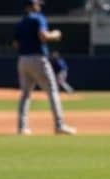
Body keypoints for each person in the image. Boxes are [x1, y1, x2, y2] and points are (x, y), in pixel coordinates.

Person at [13, 0, 73, 136]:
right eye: (37, 4)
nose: (39, 6)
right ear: (31, 6)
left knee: (25, 95)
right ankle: (59, 125)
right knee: (52, 91)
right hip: (38, 58)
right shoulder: (38, 18)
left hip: (22, 60)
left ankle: (22, 128)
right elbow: (43, 36)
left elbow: (16, 44)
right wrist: (56, 34)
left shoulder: (20, 22)